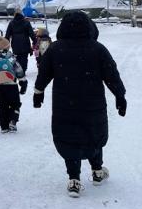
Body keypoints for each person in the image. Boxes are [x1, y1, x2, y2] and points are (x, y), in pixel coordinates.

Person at [33, 11, 126, 197]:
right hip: (92, 102)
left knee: (69, 138)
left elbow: (44, 72)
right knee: (94, 134)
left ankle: (74, 179)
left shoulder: (56, 48)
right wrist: (119, 95)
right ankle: (97, 172)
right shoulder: (97, 48)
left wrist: (38, 92)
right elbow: (111, 74)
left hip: (64, 104)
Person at [0, 36, 26, 133]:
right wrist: (23, 82)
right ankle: (13, 120)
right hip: (12, 85)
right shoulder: (11, 58)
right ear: (7, 47)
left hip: (0, 87)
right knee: (15, 104)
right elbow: (19, 70)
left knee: (2, 105)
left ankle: (3, 126)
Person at [5, 9, 36, 75]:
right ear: (22, 14)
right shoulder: (26, 22)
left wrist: (5, 45)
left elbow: (7, 35)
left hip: (15, 43)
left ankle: (18, 71)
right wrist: (35, 41)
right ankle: (23, 70)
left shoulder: (11, 23)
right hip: (25, 42)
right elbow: (31, 33)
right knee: (24, 57)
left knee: (17, 57)